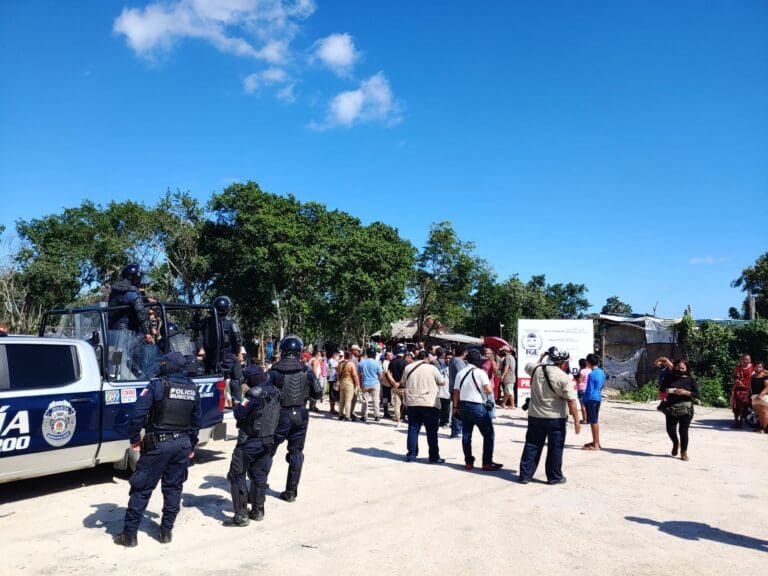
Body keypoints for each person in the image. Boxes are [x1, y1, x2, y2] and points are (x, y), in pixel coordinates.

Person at [115, 352, 201, 546]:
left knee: (142, 488)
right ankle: (166, 532)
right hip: (182, 445)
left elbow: (138, 414)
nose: (161, 365)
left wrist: (135, 439)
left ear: (169, 366)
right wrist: (192, 444)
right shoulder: (192, 388)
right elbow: (196, 421)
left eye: (164, 362)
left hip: (158, 444)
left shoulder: (157, 385)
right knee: (173, 488)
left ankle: (129, 536)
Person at [267, 334, 323, 502]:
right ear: (299, 351)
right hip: (300, 415)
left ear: (283, 351)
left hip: (279, 415)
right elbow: (318, 392)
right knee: (296, 453)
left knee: (267, 452)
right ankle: (291, 492)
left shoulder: (274, 371)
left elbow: (263, 391)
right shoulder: (307, 371)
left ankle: (257, 491)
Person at [227, 365, 282, 526]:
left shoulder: (253, 394)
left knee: (237, 475)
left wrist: (237, 403)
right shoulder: (275, 391)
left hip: (250, 442)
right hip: (268, 441)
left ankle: (241, 515)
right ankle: (258, 511)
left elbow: (239, 413)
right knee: (259, 475)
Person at [518, 347, 581, 485]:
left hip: (535, 415)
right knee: (555, 448)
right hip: (556, 418)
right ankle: (554, 477)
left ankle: (525, 475)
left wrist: (541, 358)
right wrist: (577, 421)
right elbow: (571, 401)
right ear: (563, 363)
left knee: (532, 444)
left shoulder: (536, 370)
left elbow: (528, 365)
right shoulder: (563, 377)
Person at [453, 349, 503, 471]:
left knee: (466, 435)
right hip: (477, 406)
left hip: (463, 406)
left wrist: (455, 407)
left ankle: (468, 462)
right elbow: (489, 390)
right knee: (488, 434)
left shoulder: (460, 373)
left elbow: (456, 392)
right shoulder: (480, 373)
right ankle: (487, 463)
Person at [402, 350, 447, 463]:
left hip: (412, 402)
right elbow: (442, 382)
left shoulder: (408, 367)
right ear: (426, 358)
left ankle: (411, 455)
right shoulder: (432, 368)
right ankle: (434, 457)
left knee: (413, 429)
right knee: (431, 431)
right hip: (429, 402)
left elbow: (403, 382)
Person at [657, 357, 699, 461]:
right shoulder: (670, 377)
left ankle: (684, 452)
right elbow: (662, 388)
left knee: (683, 431)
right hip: (671, 407)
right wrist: (671, 391)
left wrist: (686, 392)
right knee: (670, 430)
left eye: (682, 368)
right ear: (675, 367)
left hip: (686, 408)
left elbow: (697, 394)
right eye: (678, 368)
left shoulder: (690, 379)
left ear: (686, 368)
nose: (680, 370)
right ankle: (676, 443)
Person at [108, 263, 154, 344]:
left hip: (113, 333)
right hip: (127, 334)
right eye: (138, 278)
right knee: (147, 347)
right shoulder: (131, 292)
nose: (139, 281)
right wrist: (147, 333)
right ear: (133, 277)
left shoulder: (115, 291)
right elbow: (140, 313)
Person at [582, 354, 605, 451]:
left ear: (589, 362)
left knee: (593, 421)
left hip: (591, 398)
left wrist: (583, 401)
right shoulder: (601, 372)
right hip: (598, 397)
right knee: (594, 420)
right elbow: (601, 386)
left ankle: (596, 444)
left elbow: (589, 390)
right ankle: (596, 441)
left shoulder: (592, 374)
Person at [386, 344, 409, 428]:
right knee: (407, 404)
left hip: (395, 387)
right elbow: (406, 375)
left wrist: (393, 382)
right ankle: (406, 418)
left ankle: (398, 421)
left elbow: (387, 373)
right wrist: (399, 382)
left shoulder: (392, 362)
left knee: (397, 404)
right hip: (404, 386)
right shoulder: (406, 363)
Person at [357, 347, 382, 422]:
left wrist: (360, 383)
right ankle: (377, 416)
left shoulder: (361, 363)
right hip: (375, 383)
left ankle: (364, 416)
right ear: (374, 355)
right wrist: (378, 381)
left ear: (367, 354)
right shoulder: (377, 363)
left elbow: (359, 375)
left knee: (365, 401)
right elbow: (380, 375)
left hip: (365, 383)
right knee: (376, 400)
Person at [448, 346, 467, 438]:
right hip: (458, 389)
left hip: (454, 388)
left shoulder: (453, 360)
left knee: (456, 408)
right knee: (458, 409)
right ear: (463, 353)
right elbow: (462, 375)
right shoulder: (459, 361)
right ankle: (456, 430)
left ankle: (456, 429)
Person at [731, 354, 754, 428]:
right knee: (735, 406)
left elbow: (762, 372)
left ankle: (741, 422)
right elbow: (733, 376)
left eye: (747, 359)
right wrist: (736, 380)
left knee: (743, 406)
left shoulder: (753, 367)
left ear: (750, 360)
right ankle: (736, 421)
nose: (745, 361)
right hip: (737, 388)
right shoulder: (738, 367)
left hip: (747, 389)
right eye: (743, 359)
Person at [337, 351, 359, 421]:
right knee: (348, 400)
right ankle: (347, 415)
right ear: (350, 357)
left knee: (341, 400)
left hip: (342, 382)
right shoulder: (351, 364)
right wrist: (357, 383)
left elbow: (338, 374)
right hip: (349, 382)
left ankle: (340, 415)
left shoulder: (340, 364)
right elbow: (354, 375)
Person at [749, 361, 768, 433]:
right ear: (754, 367)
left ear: (763, 368)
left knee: (764, 412)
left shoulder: (765, 376)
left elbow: (767, 387)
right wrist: (748, 396)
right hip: (754, 396)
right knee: (759, 413)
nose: (757, 368)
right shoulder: (752, 376)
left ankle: (765, 429)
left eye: (760, 367)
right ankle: (761, 427)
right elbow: (750, 387)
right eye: (756, 367)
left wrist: (761, 394)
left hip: (763, 397)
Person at [576, 358, 590, 423]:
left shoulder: (582, 371)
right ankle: (588, 418)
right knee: (587, 405)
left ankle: (585, 419)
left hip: (581, 389)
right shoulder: (590, 370)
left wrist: (576, 377)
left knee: (583, 405)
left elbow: (579, 380)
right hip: (588, 389)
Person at [327, 350, 340, 415]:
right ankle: (332, 409)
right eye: (337, 355)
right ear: (334, 354)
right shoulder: (331, 360)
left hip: (335, 379)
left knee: (335, 394)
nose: (338, 356)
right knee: (332, 395)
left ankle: (333, 409)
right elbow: (337, 367)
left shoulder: (335, 360)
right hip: (332, 379)